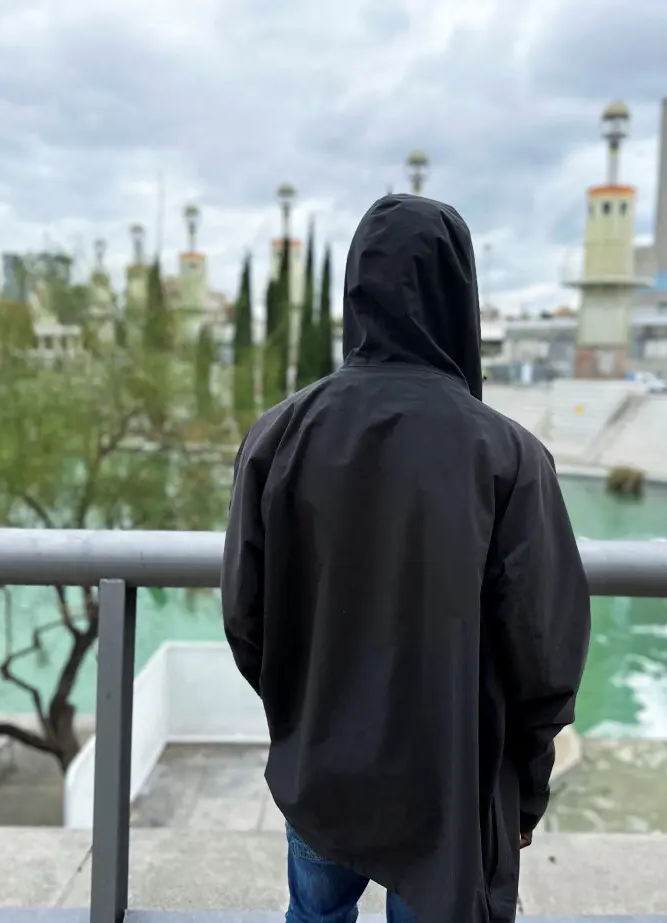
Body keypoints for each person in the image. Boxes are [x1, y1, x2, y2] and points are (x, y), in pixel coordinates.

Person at [221, 194, 591, 923]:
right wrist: (529, 783)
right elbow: (542, 650)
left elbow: (246, 613)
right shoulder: (507, 454)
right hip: (448, 780)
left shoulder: (279, 435)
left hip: (320, 766)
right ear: (461, 293)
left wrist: (300, 715)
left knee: (316, 916)